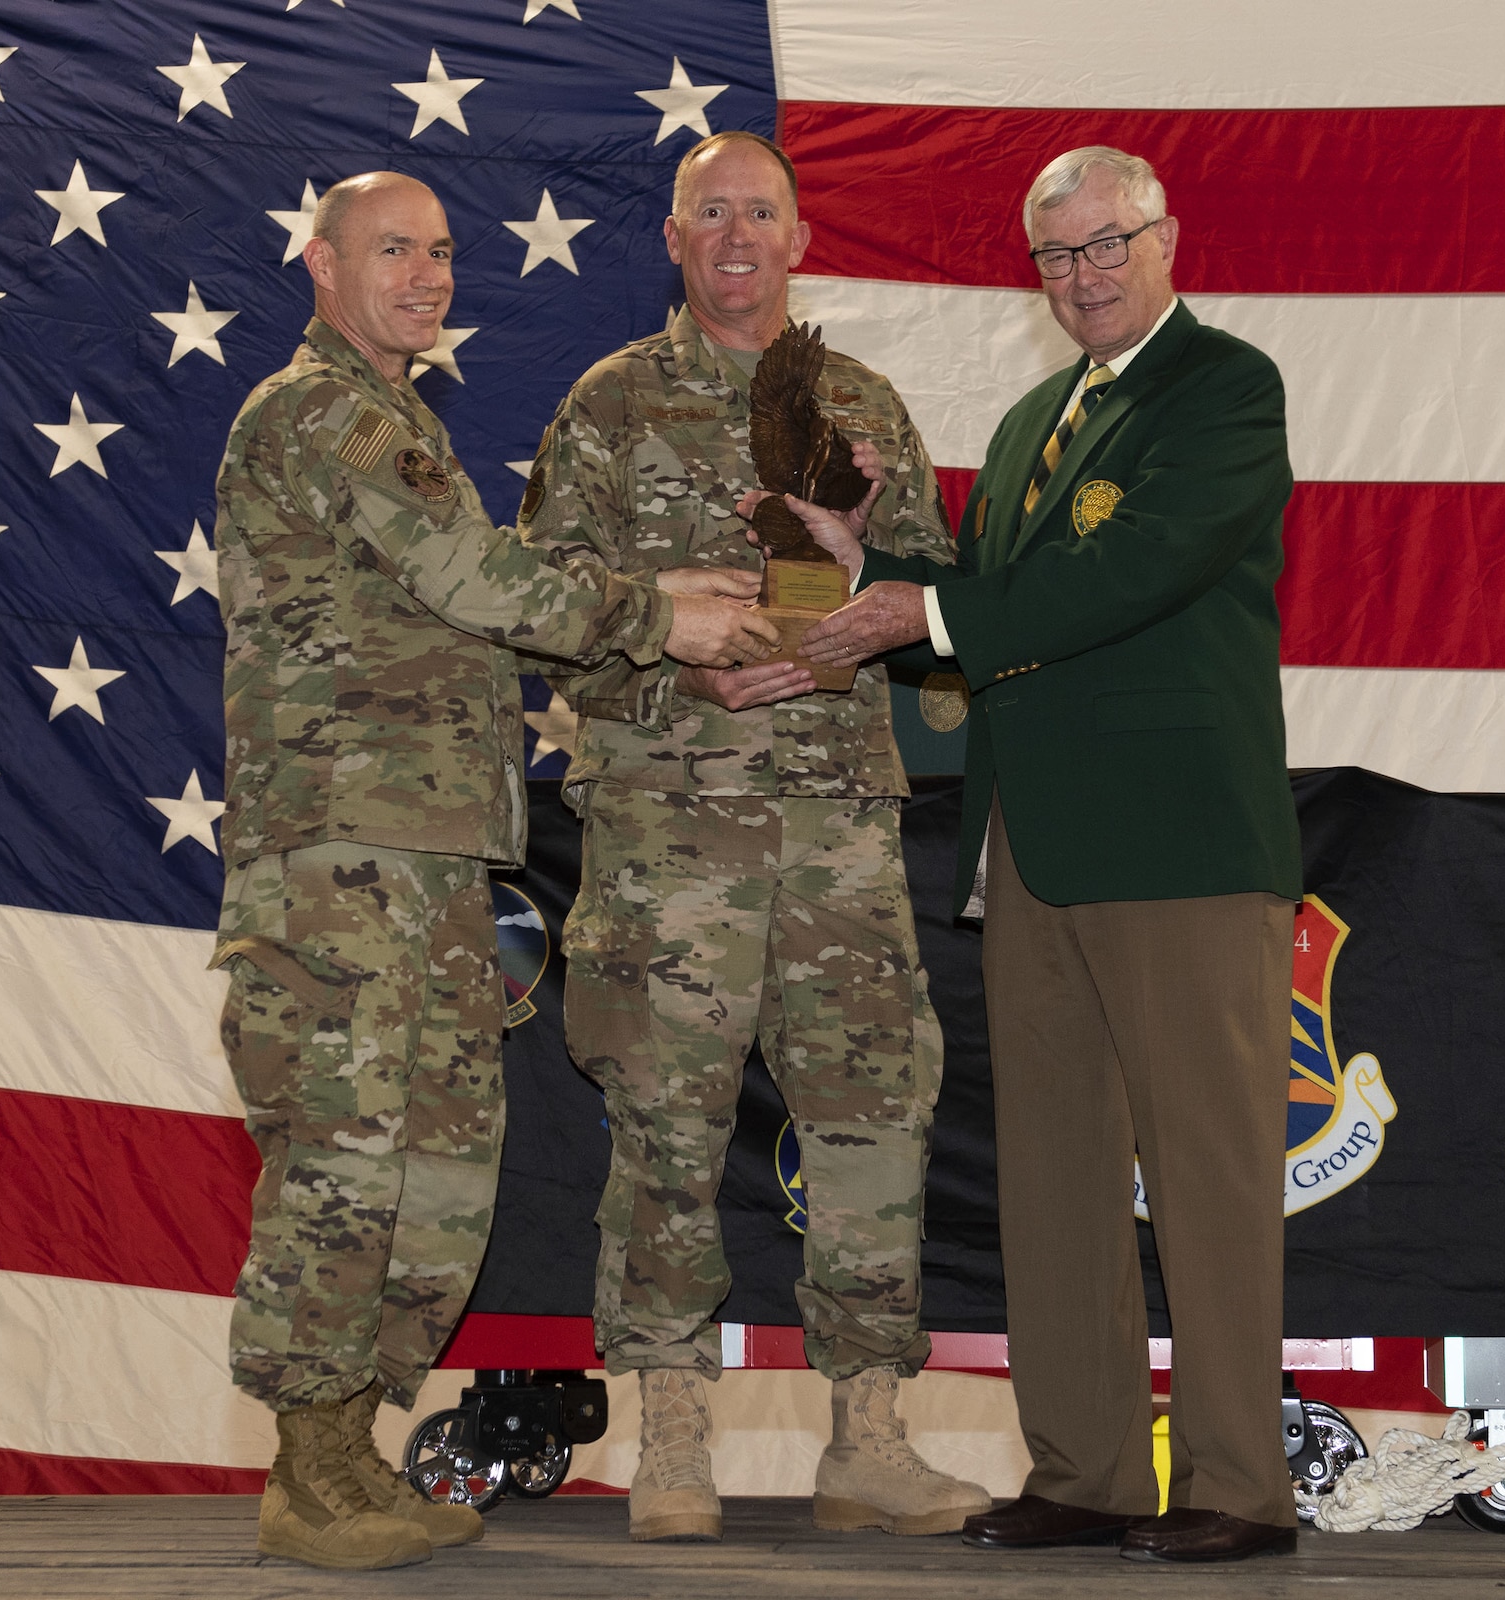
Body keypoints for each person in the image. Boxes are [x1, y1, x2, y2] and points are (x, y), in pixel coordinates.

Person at [211, 170, 778, 1571]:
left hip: (432, 862)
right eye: (391, 249)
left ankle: (349, 1448)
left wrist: (672, 615)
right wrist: (665, 617)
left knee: (438, 1166)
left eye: (443, 252)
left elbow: (476, 601)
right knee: (344, 1162)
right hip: (344, 857)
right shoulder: (322, 413)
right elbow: (479, 585)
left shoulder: (401, 420)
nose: (426, 274)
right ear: (321, 267)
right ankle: (308, 1471)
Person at [788, 146, 1304, 1564]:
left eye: (1106, 245)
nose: (1084, 277)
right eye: (1058, 258)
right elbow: (979, 609)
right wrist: (858, 568)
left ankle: (1238, 1488)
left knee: (1205, 1178)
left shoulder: (1224, 391)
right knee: (1055, 1174)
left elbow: (1126, 577)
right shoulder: (1024, 427)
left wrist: (926, 615)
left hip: (1185, 845)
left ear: (1166, 239)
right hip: (1034, 850)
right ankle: (1082, 1470)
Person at [517, 130, 991, 1545]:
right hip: (671, 840)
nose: (736, 235)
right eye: (709, 212)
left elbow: (943, 608)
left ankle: (868, 1437)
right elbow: (545, 616)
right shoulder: (607, 408)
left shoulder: (863, 407)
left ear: (798, 238)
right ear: (672, 239)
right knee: (666, 1129)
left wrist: (856, 615)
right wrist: (682, 663)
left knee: (873, 1119)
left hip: (841, 830)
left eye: (761, 213)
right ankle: (670, 1438)